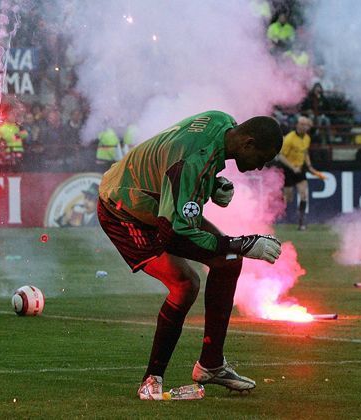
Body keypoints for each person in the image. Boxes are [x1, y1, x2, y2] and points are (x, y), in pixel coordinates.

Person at [97, 110, 283, 400]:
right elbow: (176, 233)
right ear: (247, 144)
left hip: (157, 201)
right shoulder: (193, 162)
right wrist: (243, 243)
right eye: (262, 158)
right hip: (125, 210)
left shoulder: (222, 120)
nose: (260, 167)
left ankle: (211, 364)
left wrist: (212, 183)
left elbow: (182, 160)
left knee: (229, 262)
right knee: (186, 284)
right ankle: (151, 379)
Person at [277, 116, 326, 231]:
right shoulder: (289, 139)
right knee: (289, 198)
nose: (305, 126)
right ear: (297, 125)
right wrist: (293, 168)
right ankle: (278, 215)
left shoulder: (307, 138)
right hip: (289, 169)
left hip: (300, 169)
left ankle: (301, 222)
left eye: (306, 125)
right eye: (302, 124)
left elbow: (305, 152)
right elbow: (281, 157)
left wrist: (309, 166)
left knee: (304, 194)